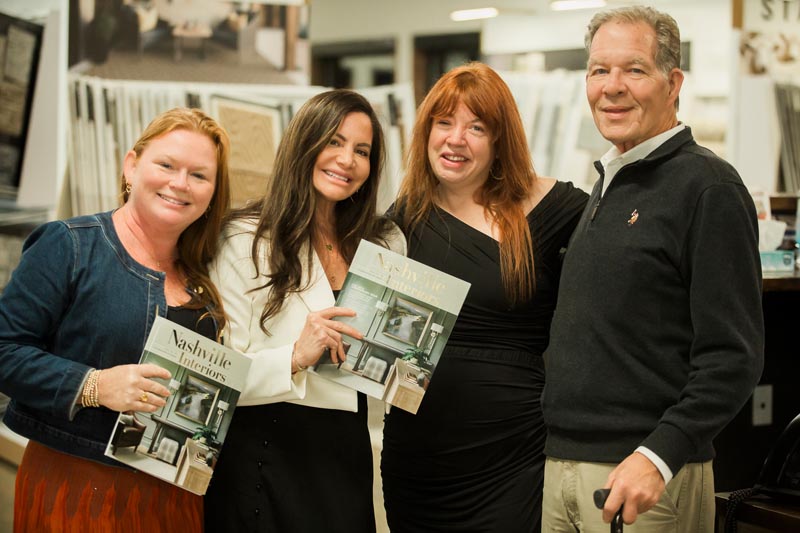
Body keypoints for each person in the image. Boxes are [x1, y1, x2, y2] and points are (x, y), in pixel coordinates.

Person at [541, 6, 764, 532]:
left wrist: (659, 456)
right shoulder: (607, 182)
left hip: (644, 480)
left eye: (634, 70)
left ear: (673, 82)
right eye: (599, 70)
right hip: (561, 468)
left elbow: (734, 356)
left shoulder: (707, 187)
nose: (612, 87)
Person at [0, 107, 231, 532]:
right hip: (76, 489)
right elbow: (4, 351)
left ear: (213, 192)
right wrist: (93, 385)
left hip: (175, 496)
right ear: (131, 166)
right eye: (166, 165)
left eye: (199, 175)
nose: (180, 183)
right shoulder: (69, 246)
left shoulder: (209, 275)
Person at [381, 62, 589, 532]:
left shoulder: (559, 210)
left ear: (500, 141)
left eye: (477, 127)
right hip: (418, 458)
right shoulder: (404, 220)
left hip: (512, 458)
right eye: (444, 122)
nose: (456, 139)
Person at [205, 89, 406, 532]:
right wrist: (295, 355)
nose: (347, 160)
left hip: (346, 451)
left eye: (362, 151)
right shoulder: (243, 238)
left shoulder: (384, 241)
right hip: (267, 447)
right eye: (334, 142)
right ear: (304, 144)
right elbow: (223, 372)